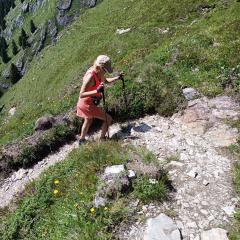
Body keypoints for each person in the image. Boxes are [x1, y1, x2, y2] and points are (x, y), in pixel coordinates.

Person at [76, 55, 122, 144]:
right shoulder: (91, 76)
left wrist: (117, 78)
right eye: (105, 69)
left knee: (88, 119)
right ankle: (102, 139)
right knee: (108, 119)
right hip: (86, 104)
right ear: (100, 67)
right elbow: (81, 94)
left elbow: (106, 81)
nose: (106, 72)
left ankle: (81, 140)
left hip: (88, 103)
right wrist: (97, 91)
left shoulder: (99, 73)